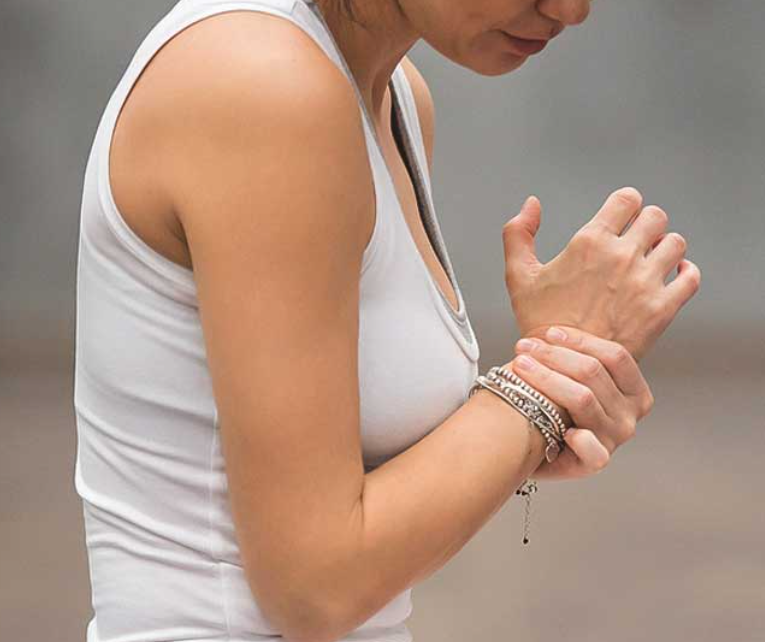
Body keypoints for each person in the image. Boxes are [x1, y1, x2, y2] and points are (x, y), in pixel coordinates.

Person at [72, 0, 701, 641]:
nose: (571, 10)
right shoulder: (264, 85)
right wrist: (540, 387)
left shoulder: (394, 94)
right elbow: (315, 588)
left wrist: (550, 391)